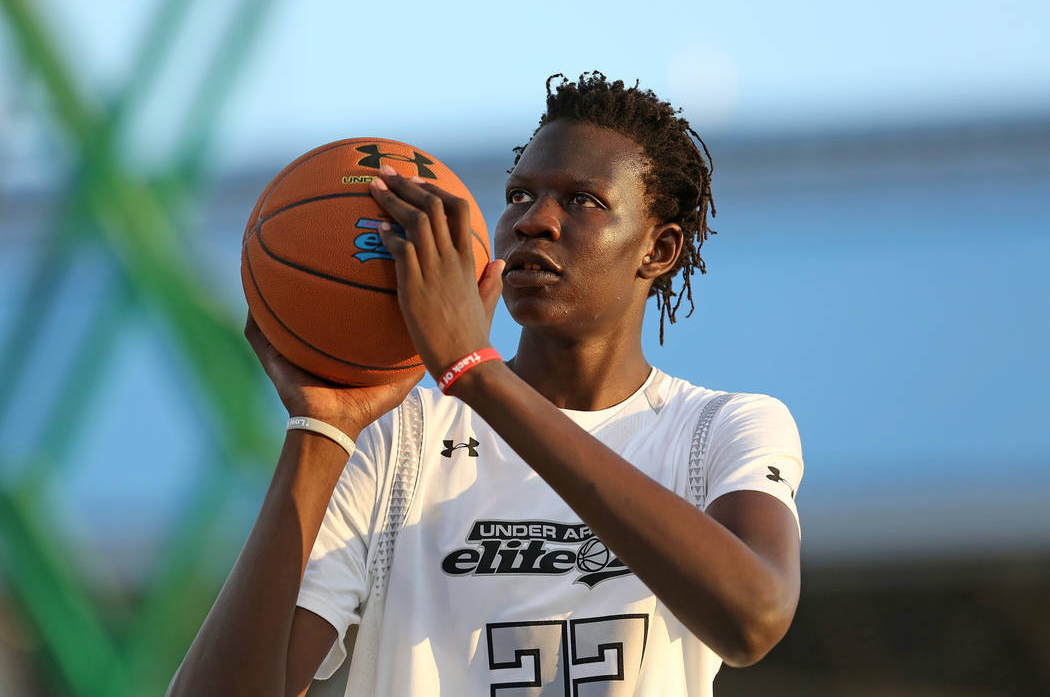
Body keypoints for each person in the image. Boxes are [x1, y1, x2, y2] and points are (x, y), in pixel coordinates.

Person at [169, 72, 804, 697]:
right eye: (519, 195)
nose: (534, 221)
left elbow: (754, 619)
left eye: (581, 200)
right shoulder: (396, 440)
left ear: (659, 250)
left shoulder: (720, 428)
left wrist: (475, 372)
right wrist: (322, 426)